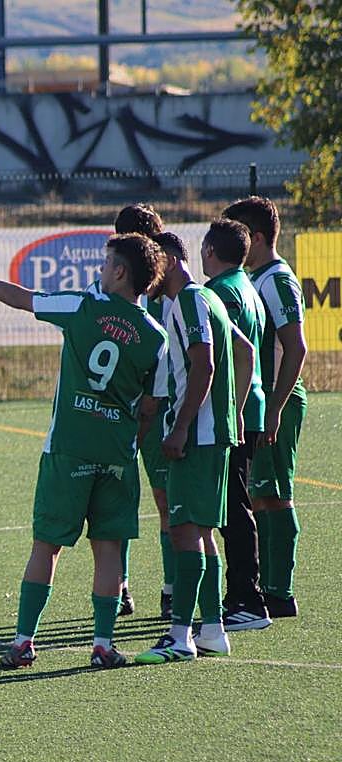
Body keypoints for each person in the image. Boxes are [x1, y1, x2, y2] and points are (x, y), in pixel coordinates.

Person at [0, 233, 167, 669]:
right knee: (109, 548)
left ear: (120, 271)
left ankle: (22, 642)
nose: (99, 270)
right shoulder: (155, 336)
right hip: (117, 454)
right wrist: (126, 435)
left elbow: (24, 299)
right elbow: (151, 406)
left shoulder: (82, 307)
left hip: (69, 449)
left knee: (47, 545)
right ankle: (103, 644)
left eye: (106, 262)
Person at [135, 231, 255, 665]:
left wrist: (183, 426)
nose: (146, 274)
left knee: (185, 531)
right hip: (213, 432)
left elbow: (204, 362)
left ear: (168, 259)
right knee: (201, 532)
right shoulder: (207, 298)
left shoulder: (188, 300)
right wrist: (234, 409)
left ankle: (180, 636)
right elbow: (245, 352)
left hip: (198, 436)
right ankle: (213, 630)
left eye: (151, 262)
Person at [223, 197, 308, 619]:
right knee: (260, 494)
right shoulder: (257, 278)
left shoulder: (276, 280)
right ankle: (268, 587)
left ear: (256, 238)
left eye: (240, 235)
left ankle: (279, 591)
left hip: (280, 397)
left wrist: (276, 406)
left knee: (276, 494)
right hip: (265, 398)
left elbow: (296, 347)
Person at [201, 219, 272, 631]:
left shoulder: (219, 292)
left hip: (238, 412)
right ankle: (243, 596)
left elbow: (226, 357)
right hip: (251, 407)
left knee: (234, 508)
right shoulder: (246, 285)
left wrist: (236, 411)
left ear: (210, 251)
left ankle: (247, 599)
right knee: (236, 505)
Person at [110, 203, 165, 618]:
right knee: (167, 504)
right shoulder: (168, 284)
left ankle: (122, 586)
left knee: (120, 505)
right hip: (161, 408)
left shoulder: (126, 287)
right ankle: (169, 589)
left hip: (126, 411)